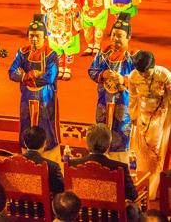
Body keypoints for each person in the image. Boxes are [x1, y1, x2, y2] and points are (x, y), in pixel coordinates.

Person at [9, 14, 61, 162]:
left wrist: (25, 77)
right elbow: (12, 72)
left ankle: (49, 160)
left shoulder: (51, 54)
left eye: (38, 36)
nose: (34, 39)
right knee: (26, 125)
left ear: (44, 37)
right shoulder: (22, 53)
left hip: (45, 99)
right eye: (31, 35)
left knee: (46, 127)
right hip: (26, 98)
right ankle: (27, 157)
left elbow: (49, 78)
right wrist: (30, 75)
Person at [88, 12, 138, 163]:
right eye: (114, 35)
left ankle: (121, 163)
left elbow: (140, 79)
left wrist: (124, 79)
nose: (115, 39)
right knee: (101, 129)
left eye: (120, 36)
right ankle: (100, 159)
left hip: (123, 103)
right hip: (104, 101)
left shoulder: (133, 56)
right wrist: (102, 74)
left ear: (128, 37)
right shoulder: (104, 53)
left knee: (122, 132)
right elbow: (91, 71)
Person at [128, 50, 171, 200]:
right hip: (142, 116)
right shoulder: (133, 76)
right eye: (141, 72)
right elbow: (132, 97)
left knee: (156, 151)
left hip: (160, 116)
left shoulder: (164, 75)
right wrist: (133, 116)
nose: (143, 76)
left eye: (146, 72)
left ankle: (153, 186)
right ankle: (140, 182)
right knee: (141, 152)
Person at [69, 123, 138, 200]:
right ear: (108, 144)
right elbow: (132, 196)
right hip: (112, 211)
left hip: (81, 210)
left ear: (87, 143)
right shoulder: (120, 167)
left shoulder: (72, 164)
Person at [22, 126, 65, 193]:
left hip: (18, 202)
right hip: (43, 203)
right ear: (44, 144)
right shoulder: (53, 167)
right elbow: (61, 189)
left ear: (24, 143)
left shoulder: (13, 162)